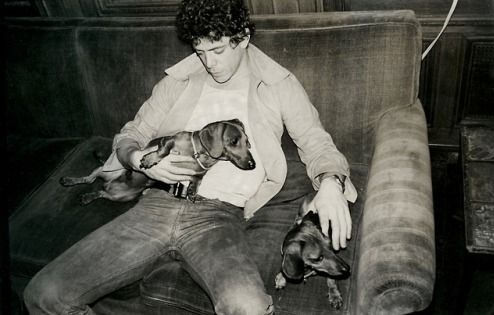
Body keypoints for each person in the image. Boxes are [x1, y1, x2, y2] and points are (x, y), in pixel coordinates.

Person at [23, 0, 357, 314]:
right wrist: (137, 158)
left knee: (249, 307)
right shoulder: (178, 80)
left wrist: (330, 183)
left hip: (219, 217)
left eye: (217, 49)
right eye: (200, 51)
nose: (209, 62)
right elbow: (131, 134)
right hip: (154, 207)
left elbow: (317, 143)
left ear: (243, 38)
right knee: (43, 293)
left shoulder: (278, 84)